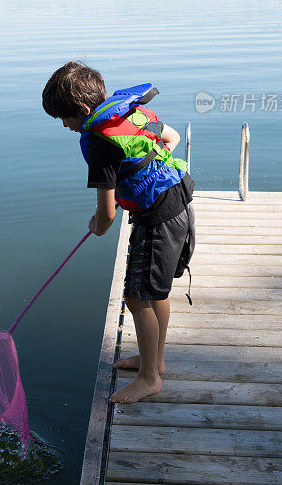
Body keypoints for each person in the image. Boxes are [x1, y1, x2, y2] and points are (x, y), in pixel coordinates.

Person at [42, 61, 195, 405]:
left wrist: (97, 226)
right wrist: (147, 172)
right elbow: (171, 138)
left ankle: (149, 378)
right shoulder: (130, 115)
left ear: (82, 110)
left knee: (136, 296)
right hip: (178, 200)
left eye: (64, 119)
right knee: (156, 293)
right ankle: (153, 359)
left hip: (157, 218)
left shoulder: (99, 144)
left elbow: (107, 214)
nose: (65, 126)